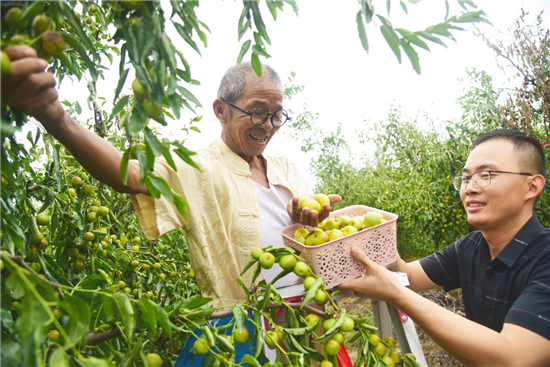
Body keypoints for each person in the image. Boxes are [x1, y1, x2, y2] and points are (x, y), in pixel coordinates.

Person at [2, 45, 341, 364]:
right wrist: (54, 115)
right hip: (240, 328)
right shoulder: (198, 166)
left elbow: (311, 244)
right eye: (257, 112)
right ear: (220, 110)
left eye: (276, 114)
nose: (267, 125)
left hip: (310, 321)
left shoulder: (286, 165)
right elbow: (131, 176)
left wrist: (311, 224)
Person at [340, 129, 550, 366]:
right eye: (466, 178)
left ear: (532, 186)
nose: (469, 188)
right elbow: (407, 276)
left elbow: (514, 358)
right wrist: (377, 239)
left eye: (487, 174)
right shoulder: (471, 247)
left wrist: (395, 293)